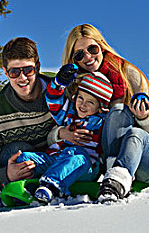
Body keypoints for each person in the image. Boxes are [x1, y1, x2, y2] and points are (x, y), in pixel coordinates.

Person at [59, 23, 149, 202]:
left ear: (101, 45)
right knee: (117, 115)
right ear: (74, 59)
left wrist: (145, 121)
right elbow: (59, 116)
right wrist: (60, 134)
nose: (88, 57)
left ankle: (117, 176)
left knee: (122, 115)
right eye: (80, 54)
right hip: (103, 159)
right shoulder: (75, 86)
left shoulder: (128, 74)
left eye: (92, 49)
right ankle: (115, 178)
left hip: (142, 153)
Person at [17, 65, 113, 203]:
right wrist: (59, 82)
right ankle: (27, 183)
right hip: (57, 159)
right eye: (81, 98)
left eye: (90, 102)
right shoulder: (69, 115)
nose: (83, 105)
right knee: (25, 157)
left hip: (84, 166)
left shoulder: (102, 123)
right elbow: (54, 101)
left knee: (76, 153)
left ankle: (50, 186)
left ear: (101, 107)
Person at [0, 37, 58, 189]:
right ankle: (28, 191)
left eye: (28, 70)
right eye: (14, 72)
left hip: (58, 158)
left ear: (37, 67)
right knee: (17, 151)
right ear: (6, 72)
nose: (22, 77)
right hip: (25, 169)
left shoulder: (59, 89)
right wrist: (6, 174)